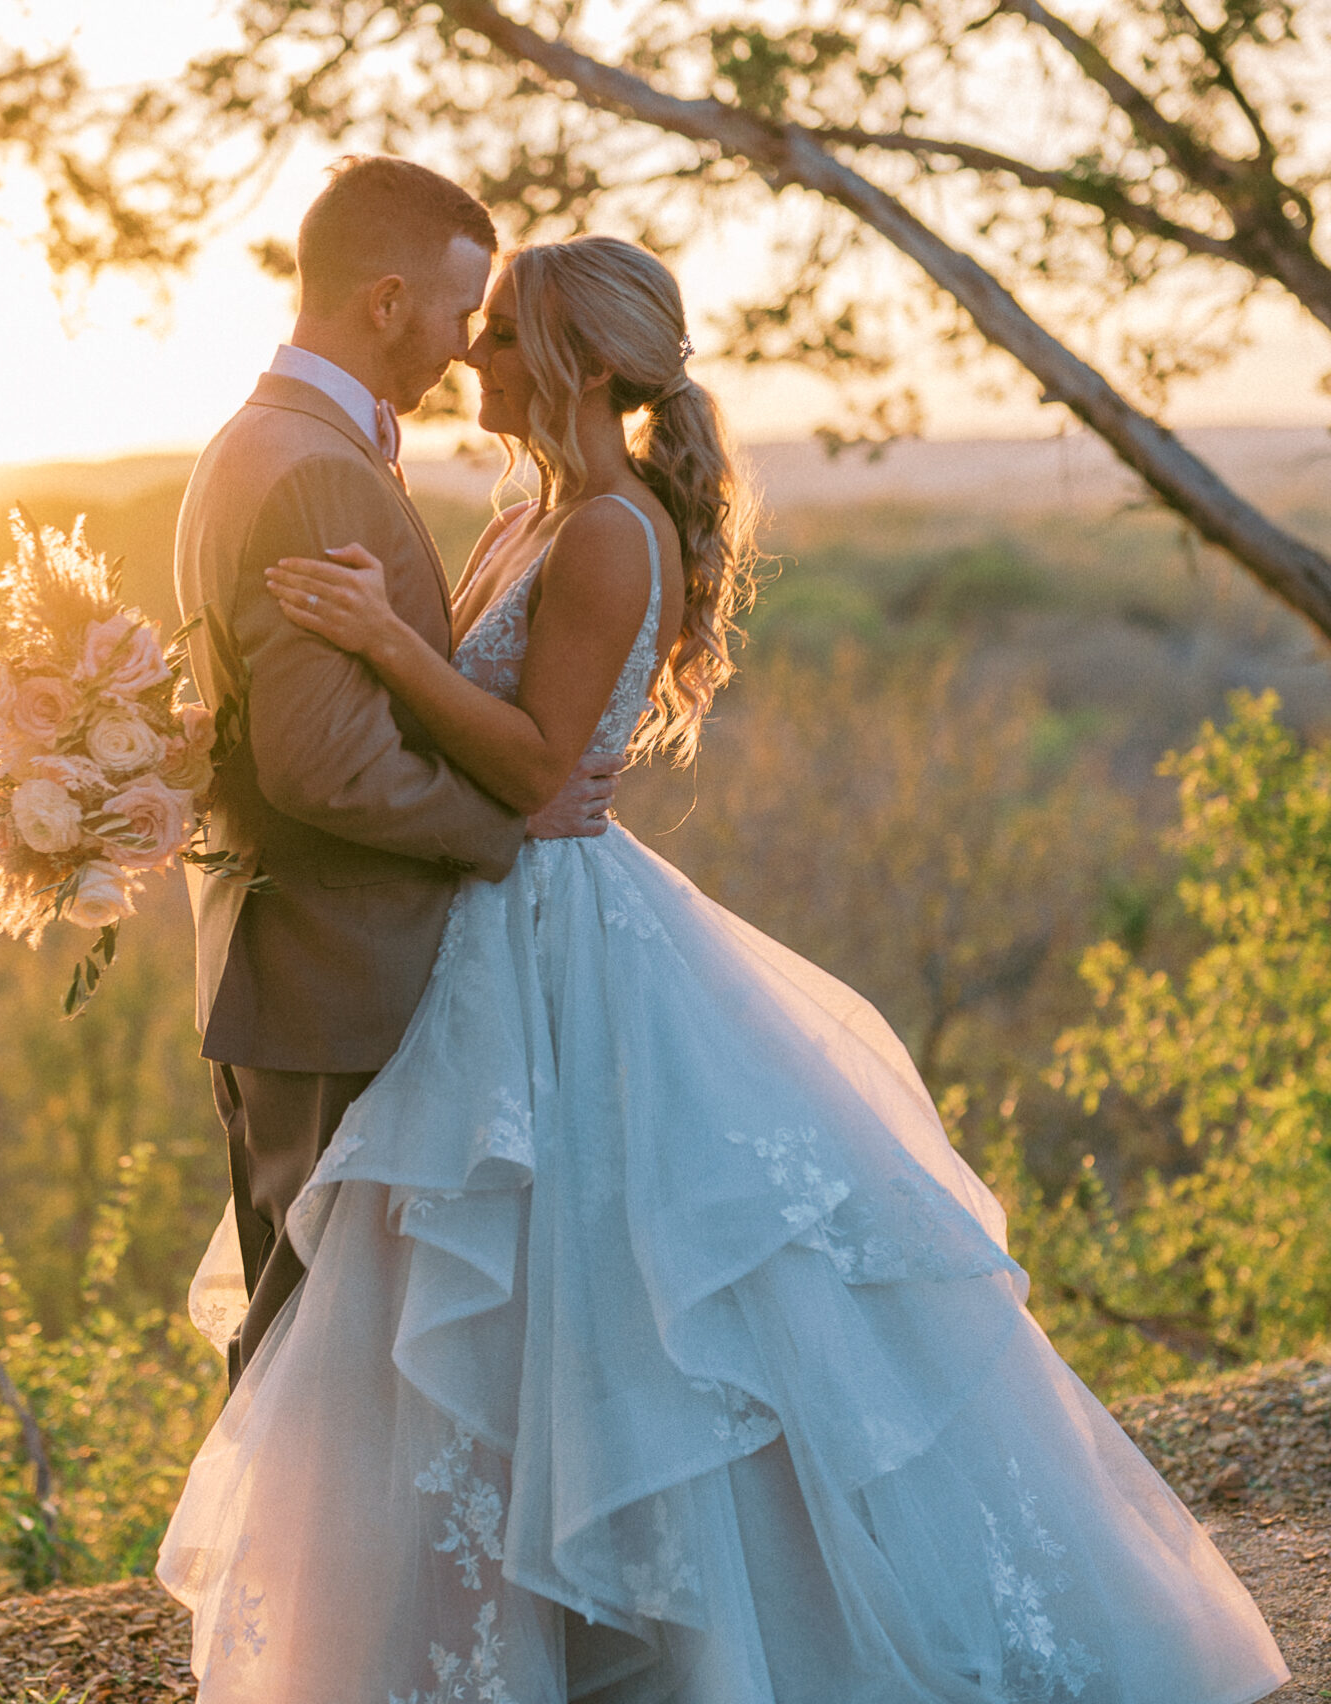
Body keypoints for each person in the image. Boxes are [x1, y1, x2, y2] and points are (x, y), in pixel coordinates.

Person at [158, 234, 1288, 1703]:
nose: (473, 357)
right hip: (496, 936)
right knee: (504, 1315)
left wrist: (385, 636)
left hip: (564, 940)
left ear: (585, 365)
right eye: (479, 328)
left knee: (623, 1302)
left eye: (502, 337)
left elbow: (539, 764)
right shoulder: (528, 516)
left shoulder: (614, 531)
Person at [172, 157, 620, 1391]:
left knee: (320, 1335)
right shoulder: (315, 464)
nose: (466, 352)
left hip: (293, 961)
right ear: (383, 302)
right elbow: (325, 764)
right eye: (458, 318)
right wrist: (509, 824)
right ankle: (288, 1589)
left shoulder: (257, 440)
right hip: (337, 965)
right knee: (321, 1350)